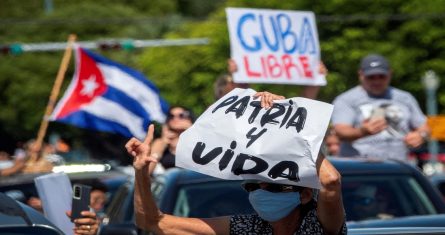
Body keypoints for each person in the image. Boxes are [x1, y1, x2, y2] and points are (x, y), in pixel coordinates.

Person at [125, 91, 346, 235]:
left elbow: (331, 181)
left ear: (305, 194)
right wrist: (141, 173)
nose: (260, 192)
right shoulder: (248, 228)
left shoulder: (319, 226)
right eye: (252, 186)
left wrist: (292, 123)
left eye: (273, 185)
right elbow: (152, 222)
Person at [331, 54, 430, 161]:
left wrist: (421, 135)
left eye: (381, 76)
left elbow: (424, 127)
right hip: (358, 166)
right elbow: (341, 131)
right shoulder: (346, 99)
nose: (377, 81)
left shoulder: (405, 98)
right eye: (371, 77)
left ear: (390, 74)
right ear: (361, 75)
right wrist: (362, 131)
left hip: (398, 166)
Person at [215, 59, 327, 100]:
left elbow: (302, 108)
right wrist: (237, 75)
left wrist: (315, 80)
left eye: (244, 83)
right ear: (220, 93)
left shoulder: (262, 108)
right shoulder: (211, 116)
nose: (243, 85)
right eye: (232, 82)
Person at [148, 106, 194, 175]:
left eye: (181, 115)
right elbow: (148, 171)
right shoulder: (161, 142)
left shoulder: (197, 139)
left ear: (190, 118)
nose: (175, 119)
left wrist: (192, 130)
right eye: (171, 116)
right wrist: (162, 144)